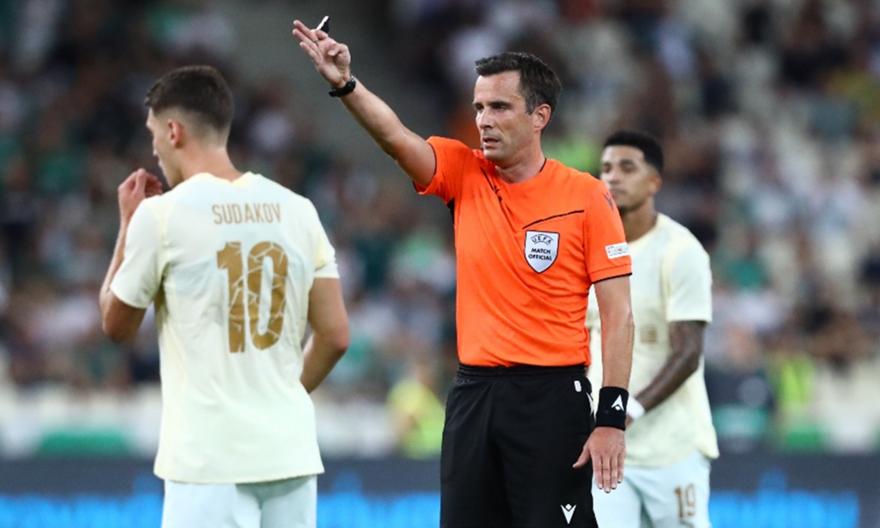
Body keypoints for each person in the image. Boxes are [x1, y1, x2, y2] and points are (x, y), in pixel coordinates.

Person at [292, 20, 635, 528]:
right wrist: (346, 83)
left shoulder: (586, 197)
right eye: (478, 107)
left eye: (499, 107)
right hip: (473, 394)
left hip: (552, 397)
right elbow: (394, 137)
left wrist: (611, 417)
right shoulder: (463, 171)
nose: (483, 120)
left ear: (540, 116)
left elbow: (619, 314)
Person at [98, 65, 349, 528]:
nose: (154, 150)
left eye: (153, 135)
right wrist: (279, 396)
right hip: (289, 452)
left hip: (209, 461)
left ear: (173, 131)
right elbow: (335, 336)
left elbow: (116, 324)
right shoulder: (299, 210)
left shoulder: (162, 216)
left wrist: (128, 225)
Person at [587, 130, 718, 528]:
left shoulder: (680, 251)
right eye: (607, 168)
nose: (613, 177)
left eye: (627, 168)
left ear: (654, 181)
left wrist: (628, 409)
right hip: (607, 448)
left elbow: (688, 352)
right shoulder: (587, 250)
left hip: (672, 449)